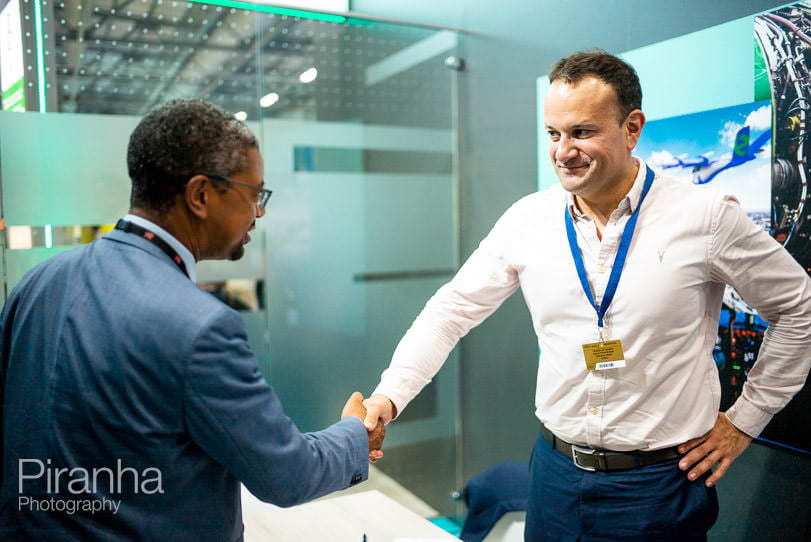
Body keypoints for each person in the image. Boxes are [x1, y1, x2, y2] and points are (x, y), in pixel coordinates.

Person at [362, 50, 811, 540]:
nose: (562, 151)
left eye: (582, 132)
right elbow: (452, 310)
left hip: (659, 482)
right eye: (553, 134)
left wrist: (746, 420)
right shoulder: (527, 219)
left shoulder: (704, 216)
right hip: (555, 474)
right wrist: (391, 393)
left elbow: (798, 307)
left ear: (632, 128)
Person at [0, 99, 384, 541]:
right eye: (253, 194)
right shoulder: (200, 326)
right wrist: (357, 434)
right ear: (200, 195)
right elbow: (287, 474)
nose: (259, 212)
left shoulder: (38, 282)